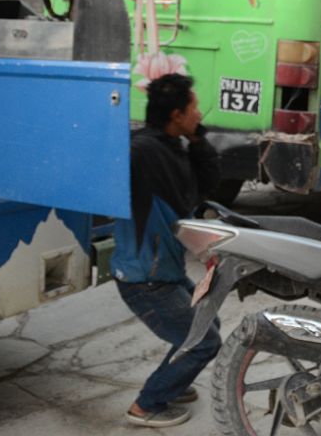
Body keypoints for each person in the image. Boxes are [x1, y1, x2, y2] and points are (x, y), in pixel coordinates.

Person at [116, 74, 221, 428]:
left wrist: (199, 139)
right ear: (176, 114)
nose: (199, 114)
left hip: (166, 272)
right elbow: (112, 162)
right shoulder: (143, 150)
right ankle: (146, 406)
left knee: (208, 322)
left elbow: (207, 185)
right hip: (144, 278)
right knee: (204, 341)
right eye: (194, 108)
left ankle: (172, 381)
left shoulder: (174, 146)